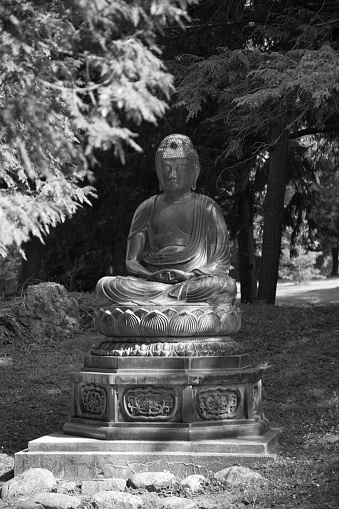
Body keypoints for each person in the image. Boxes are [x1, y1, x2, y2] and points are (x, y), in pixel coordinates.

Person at [96, 134, 237, 305]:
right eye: (166, 168)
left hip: (192, 282)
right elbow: (131, 261)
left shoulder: (208, 207)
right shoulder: (147, 207)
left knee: (224, 286)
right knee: (105, 286)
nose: (172, 174)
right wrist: (150, 275)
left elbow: (220, 263)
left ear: (194, 172)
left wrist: (189, 275)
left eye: (180, 168)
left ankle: (161, 303)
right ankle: (170, 301)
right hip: (153, 283)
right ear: (158, 172)